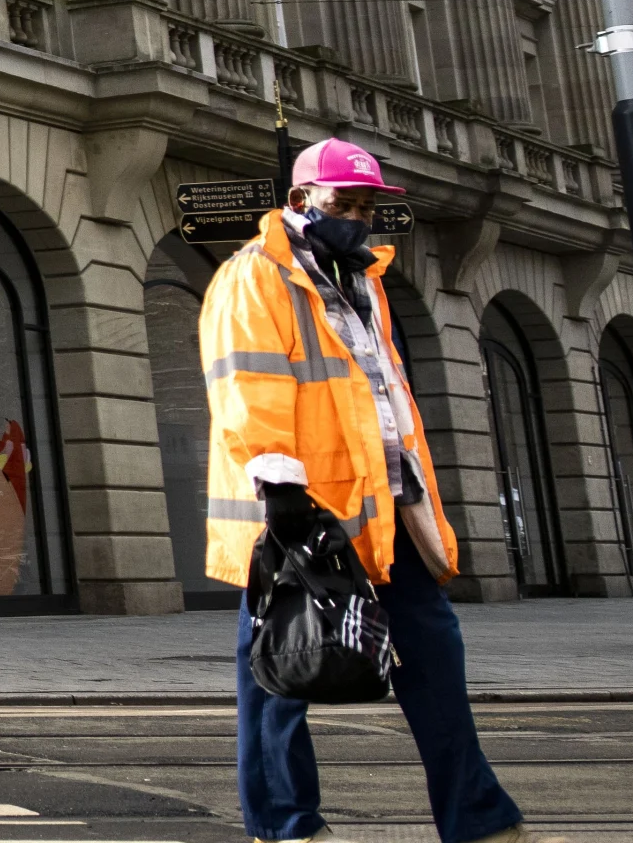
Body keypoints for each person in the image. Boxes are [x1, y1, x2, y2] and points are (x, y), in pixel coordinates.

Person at [201, 138, 528, 843]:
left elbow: (382, 397)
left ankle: (478, 821)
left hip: (382, 504)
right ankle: (285, 828)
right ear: (299, 201)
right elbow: (246, 387)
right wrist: (277, 485)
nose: (355, 217)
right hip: (298, 514)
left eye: (365, 206)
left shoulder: (364, 280)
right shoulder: (254, 276)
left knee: (433, 657)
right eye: (340, 203)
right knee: (281, 677)